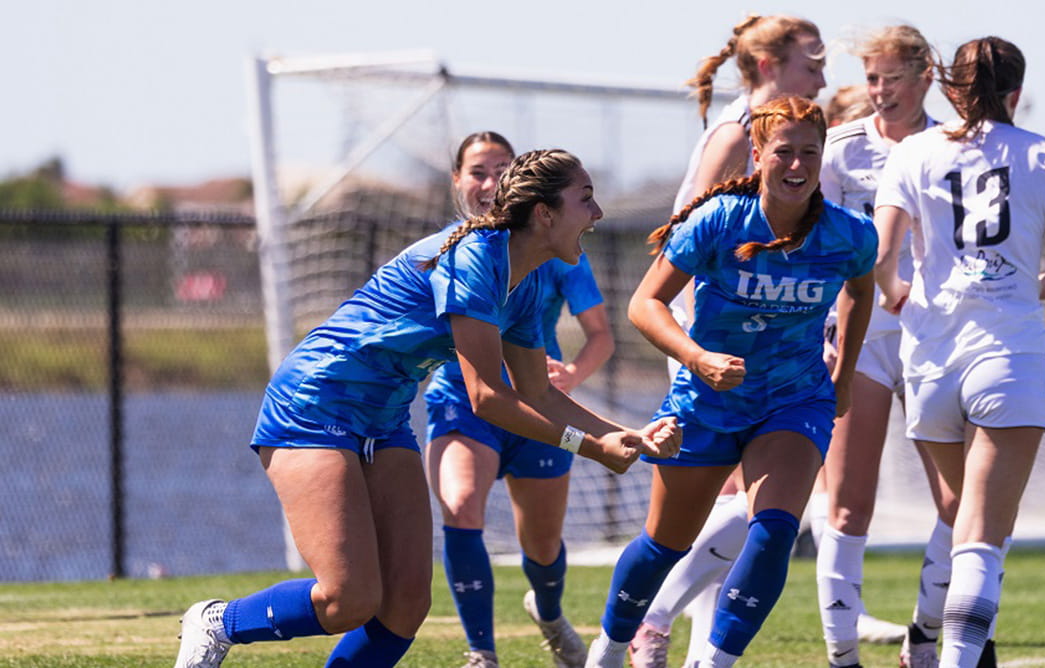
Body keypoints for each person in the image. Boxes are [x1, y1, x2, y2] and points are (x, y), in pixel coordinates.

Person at [172, 148, 681, 668]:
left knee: (406, 607)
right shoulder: (477, 257)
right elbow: (485, 397)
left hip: (385, 418)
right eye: (586, 199)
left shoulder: (526, 282)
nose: (597, 214)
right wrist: (589, 445)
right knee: (348, 599)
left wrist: (627, 433)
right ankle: (218, 621)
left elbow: (538, 392)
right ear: (545, 213)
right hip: (315, 404)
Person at [587, 95, 878, 668]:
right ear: (758, 154)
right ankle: (610, 649)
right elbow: (645, 304)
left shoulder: (849, 234)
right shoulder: (719, 221)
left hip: (794, 400)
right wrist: (697, 358)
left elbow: (861, 291)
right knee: (663, 544)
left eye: (810, 153)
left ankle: (716, 661)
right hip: (707, 402)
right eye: (784, 151)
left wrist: (842, 375)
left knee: (773, 532)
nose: (797, 165)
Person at [873, 36, 1045, 668]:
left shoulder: (912, 151)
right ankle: (956, 656)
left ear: (949, 90)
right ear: (1017, 93)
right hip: (1007, 355)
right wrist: (1021, 285)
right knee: (982, 537)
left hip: (930, 359)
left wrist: (894, 293)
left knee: (962, 519)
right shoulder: (1044, 154)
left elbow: (880, 257)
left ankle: (930, 640)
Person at [629, 16, 828, 667]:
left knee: (750, 503)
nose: (822, 77)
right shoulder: (738, 133)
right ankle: (650, 618)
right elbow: (684, 238)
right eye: (811, 64)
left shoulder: (783, 136)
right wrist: (700, 345)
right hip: (711, 343)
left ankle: (691, 645)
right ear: (768, 65)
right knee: (740, 503)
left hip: (765, 347)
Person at [424, 132, 614, 668]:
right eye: (477, 171)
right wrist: (593, 443)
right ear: (457, 180)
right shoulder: (459, 253)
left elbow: (600, 336)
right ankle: (481, 653)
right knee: (461, 504)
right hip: (464, 403)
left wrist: (572, 379)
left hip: (537, 404)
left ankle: (549, 614)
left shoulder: (553, 256)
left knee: (542, 548)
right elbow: (484, 393)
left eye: (501, 171)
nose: (490, 183)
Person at [812, 25, 953, 668]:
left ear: (926, 77)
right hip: (860, 339)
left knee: (958, 501)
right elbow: (819, 248)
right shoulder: (839, 148)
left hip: (935, 339)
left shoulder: (952, 147)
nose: (880, 90)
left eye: (893, 77)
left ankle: (926, 636)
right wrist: (825, 330)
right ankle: (843, 656)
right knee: (847, 503)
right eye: (872, 78)